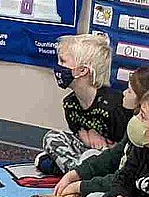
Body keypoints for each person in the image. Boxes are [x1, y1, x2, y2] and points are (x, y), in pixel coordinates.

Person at [31, 65, 149, 197]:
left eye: (129, 91)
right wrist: (75, 174)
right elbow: (113, 156)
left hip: (130, 191)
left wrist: (80, 186)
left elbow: (126, 179)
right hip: (119, 179)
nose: (124, 93)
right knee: (90, 157)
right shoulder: (137, 126)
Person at [35, 32, 129, 176]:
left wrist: (103, 144)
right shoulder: (70, 104)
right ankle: (80, 172)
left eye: (63, 61)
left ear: (83, 70)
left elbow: (125, 147)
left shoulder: (114, 106)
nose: (58, 66)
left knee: (51, 161)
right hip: (87, 151)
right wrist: (86, 135)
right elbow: (79, 136)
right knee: (51, 138)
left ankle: (78, 173)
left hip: (113, 157)